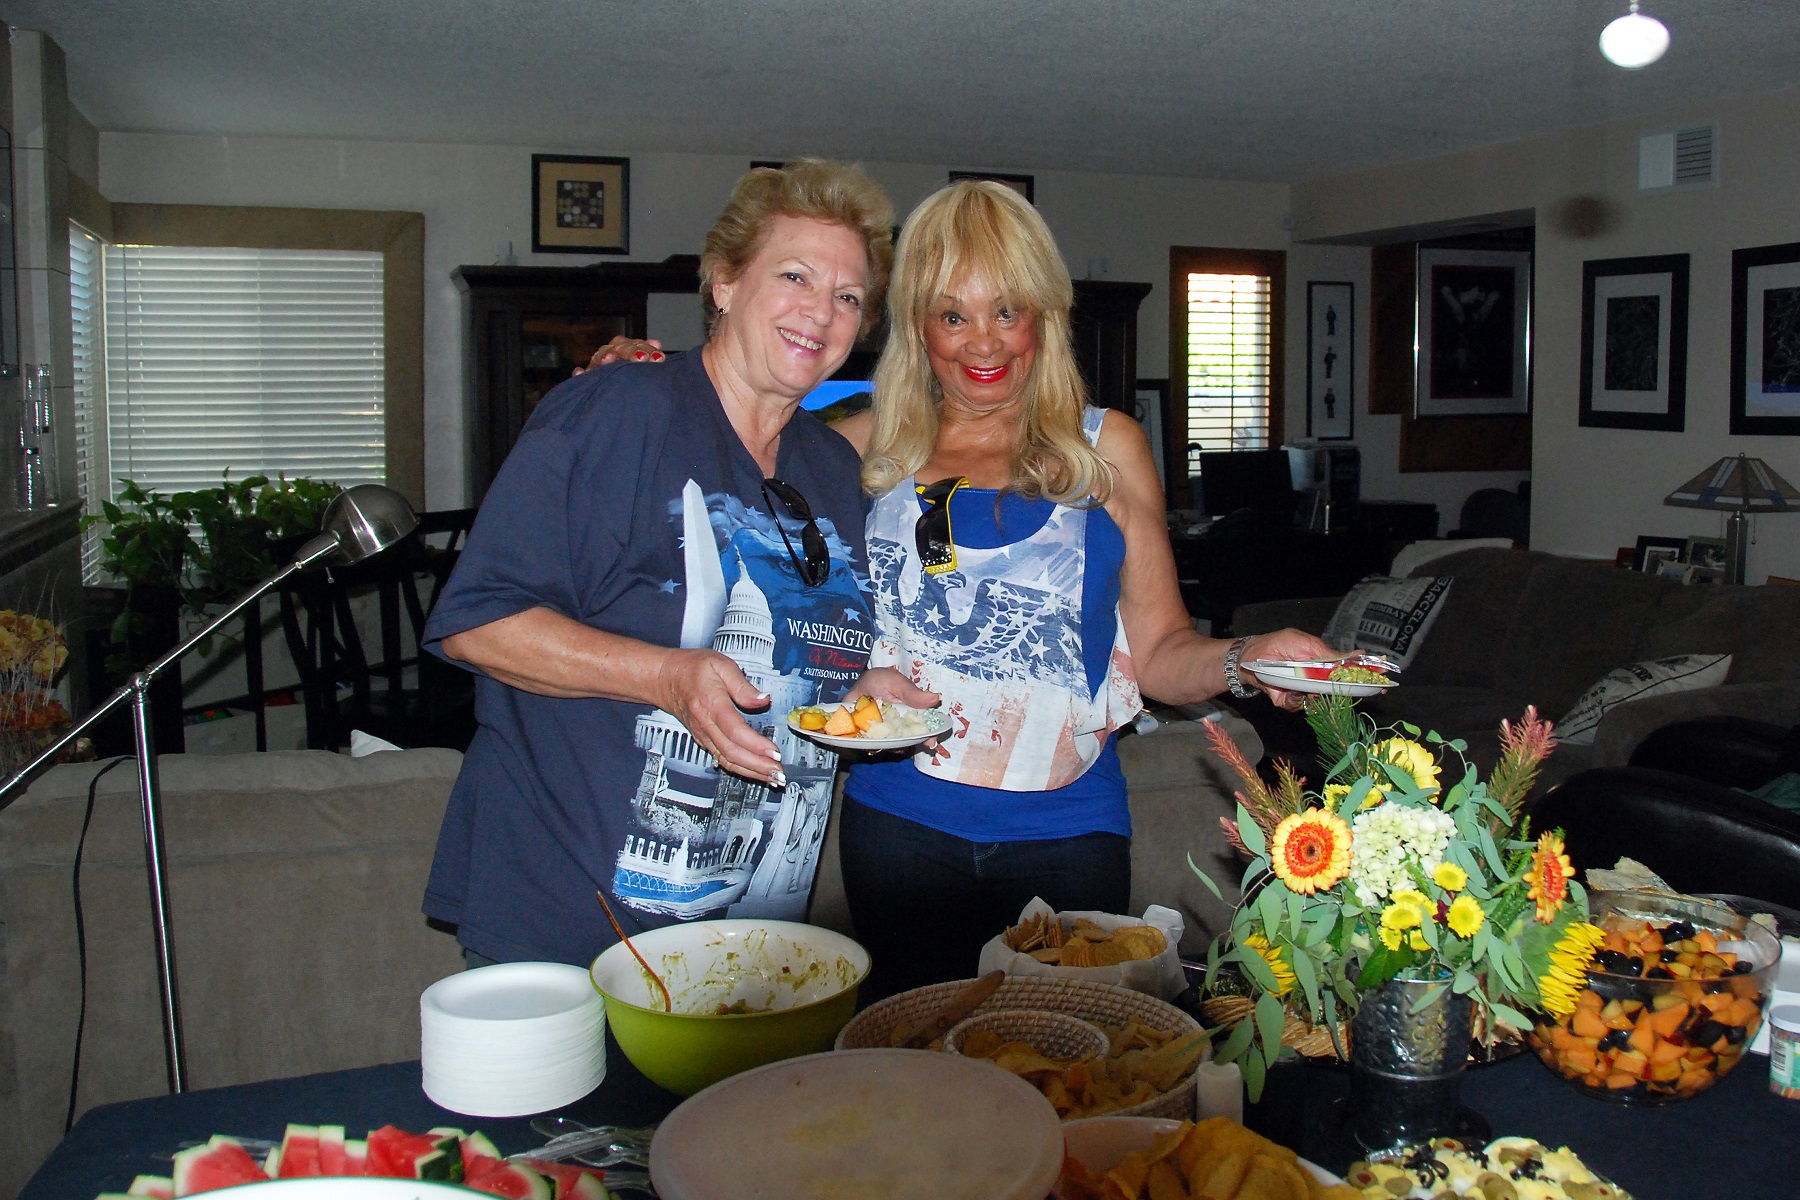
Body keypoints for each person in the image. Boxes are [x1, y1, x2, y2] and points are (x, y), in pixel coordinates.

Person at [590, 179, 1335, 997]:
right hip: (899, 828)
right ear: (918, 326)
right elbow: (729, 446)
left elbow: (1160, 652)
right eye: (953, 315)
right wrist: (649, 383)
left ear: (1044, 316)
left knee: (1069, 1069)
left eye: (1008, 311)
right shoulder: (861, 449)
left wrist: (1249, 659)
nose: (984, 343)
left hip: (1071, 828)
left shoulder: (1107, 447)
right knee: (920, 1069)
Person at [421, 160, 930, 967]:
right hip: (576, 912)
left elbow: (794, 661)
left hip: (754, 932)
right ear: (725, 282)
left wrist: (859, 693)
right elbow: (479, 622)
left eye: (847, 295)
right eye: (794, 275)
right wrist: (664, 675)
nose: (821, 312)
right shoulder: (620, 410)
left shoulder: (831, 471)